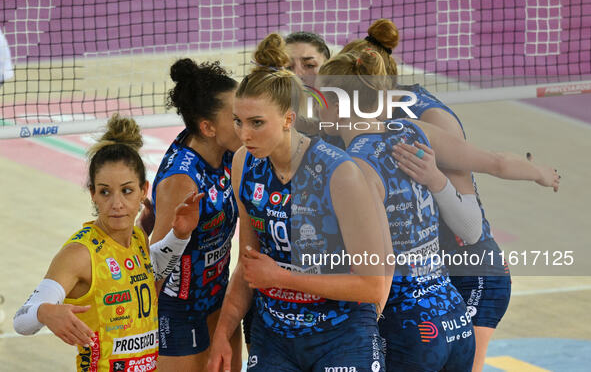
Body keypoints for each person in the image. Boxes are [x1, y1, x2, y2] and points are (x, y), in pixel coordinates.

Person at [316, 49, 560, 371]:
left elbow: (381, 265)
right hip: (451, 311)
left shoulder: (354, 168)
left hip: (408, 325)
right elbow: (497, 162)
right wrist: (540, 173)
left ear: (334, 103)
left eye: (317, 97)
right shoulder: (415, 131)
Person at [208, 33, 392, 372]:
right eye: (239, 121)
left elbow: (372, 284)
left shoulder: (340, 173)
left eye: (257, 123)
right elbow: (249, 267)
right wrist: (223, 332)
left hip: (341, 337)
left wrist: (281, 277)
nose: (244, 134)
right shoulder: (242, 163)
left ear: (288, 119)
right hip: (274, 336)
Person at [13, 114, 202, 371]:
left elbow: (147, 270)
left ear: (143, 190)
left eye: (126, 191)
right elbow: (21, 321)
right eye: (105, 192)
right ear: (93, 194)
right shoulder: (80, 253)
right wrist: (44, 312)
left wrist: (179, 236)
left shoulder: (137, 237)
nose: (117, 204)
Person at [150, 59, 243, 371]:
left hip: (219, 298)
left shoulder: (230, 153)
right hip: (178, 310)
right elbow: (156, 264)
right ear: (208, 127)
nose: (245, 121)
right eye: (236, 117)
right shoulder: (182, 180)